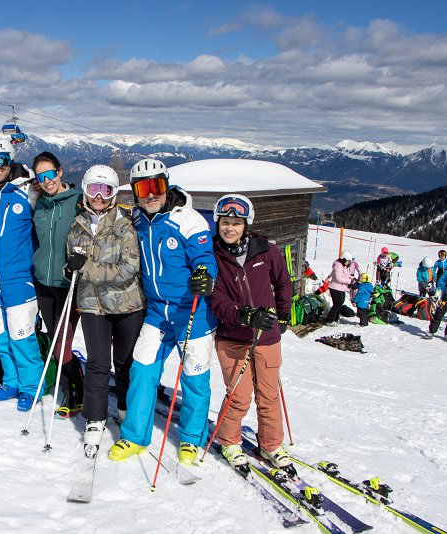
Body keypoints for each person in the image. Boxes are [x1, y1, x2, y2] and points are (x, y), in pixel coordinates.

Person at [107, 158, 217, 466]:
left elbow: (205, 257)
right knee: (142, 370)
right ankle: (135, 436)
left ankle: (191, 438)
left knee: (194, 377)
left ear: (166, 186)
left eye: (156, 186)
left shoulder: (189, 220)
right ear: (136, 193)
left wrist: (205, 275)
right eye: (143, 189)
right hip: (156, 312)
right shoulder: (138, 220)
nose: (151, 194)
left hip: (191, 312)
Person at [208, 193, 293, 471]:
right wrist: (244, 315)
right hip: (232, 338)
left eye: (236, 223)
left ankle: (271, 445)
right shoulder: (213, 255)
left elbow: (283, 282)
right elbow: (217, 300)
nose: (229, 228)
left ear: (246, 225)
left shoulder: (265, 250)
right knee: (239, 395)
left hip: (267, 337)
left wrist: (283, 314)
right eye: (225, 222)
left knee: (268, 396)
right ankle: (229, 441)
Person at [65, 165, 145, 450]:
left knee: (125, 363)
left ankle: (124, 408)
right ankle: (95, 417)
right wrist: (69, 270)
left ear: (113, 194)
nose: (99, 196)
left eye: (105, 190)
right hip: (92, 305)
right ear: (86, 191)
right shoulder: (77, 225)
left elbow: (128, 268)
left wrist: (85, 269)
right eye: (94, 189)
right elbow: (72, 266)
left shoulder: (125, 224)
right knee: (98, 364)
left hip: (126, 305)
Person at [0, 136, 42, 411]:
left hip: (19, 280)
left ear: (10, 160)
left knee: (22, 337)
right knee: (0, 336)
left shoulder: (28, 192)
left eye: (2, 159)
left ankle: (30, 386)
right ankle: (12, 381)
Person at [31, 151, 85, 418]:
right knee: (55, 340)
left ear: (60, 172)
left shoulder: (78, 202)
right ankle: (66, 382)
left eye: (50, 174)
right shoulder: (39, 204)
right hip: (43, 281)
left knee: (62, 342)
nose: (47, 180)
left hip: (68, 283)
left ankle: (75, 390)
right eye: (40, 177)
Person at [322, 251, 356, 325]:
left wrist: (352, 278)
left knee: (339, 303)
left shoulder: (344, 266)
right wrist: (349, 281)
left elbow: (347, 274)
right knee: (337, 304)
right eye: (348, 261)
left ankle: (335, 319)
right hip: (335, 288)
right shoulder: (338, 266)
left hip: (341, 288)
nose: (349, 263)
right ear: (344, 259)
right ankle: (330, 320)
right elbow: (338, 278)